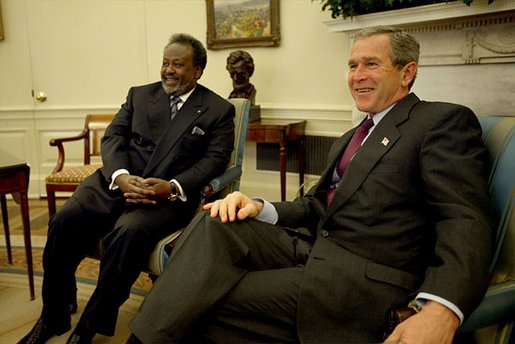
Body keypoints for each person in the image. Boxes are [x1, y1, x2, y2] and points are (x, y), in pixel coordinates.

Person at [127, 26, 494, 343]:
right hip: (313, 247)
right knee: (216, 221)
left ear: (406, 72)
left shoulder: (440, 121)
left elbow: (463, 219)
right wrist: (259, 206)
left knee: (201, 297)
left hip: (359, 276)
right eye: (352, 65)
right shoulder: (353, 134)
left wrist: (441, 308)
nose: (357, 75)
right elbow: (319, 206)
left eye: (371, 64)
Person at [18, 33, 235, 344]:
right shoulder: (139, 95)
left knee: (128, 233)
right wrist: (120, 176)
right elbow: (113, 138)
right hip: (115, 182)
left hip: (163, 195)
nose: (168, 70)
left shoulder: (217, 109)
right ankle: (54, 314)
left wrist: (171, 188)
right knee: (64, 221)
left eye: (178, 64)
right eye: (165, 63)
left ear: (198, 70)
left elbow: (214, 160)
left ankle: (87, 328)